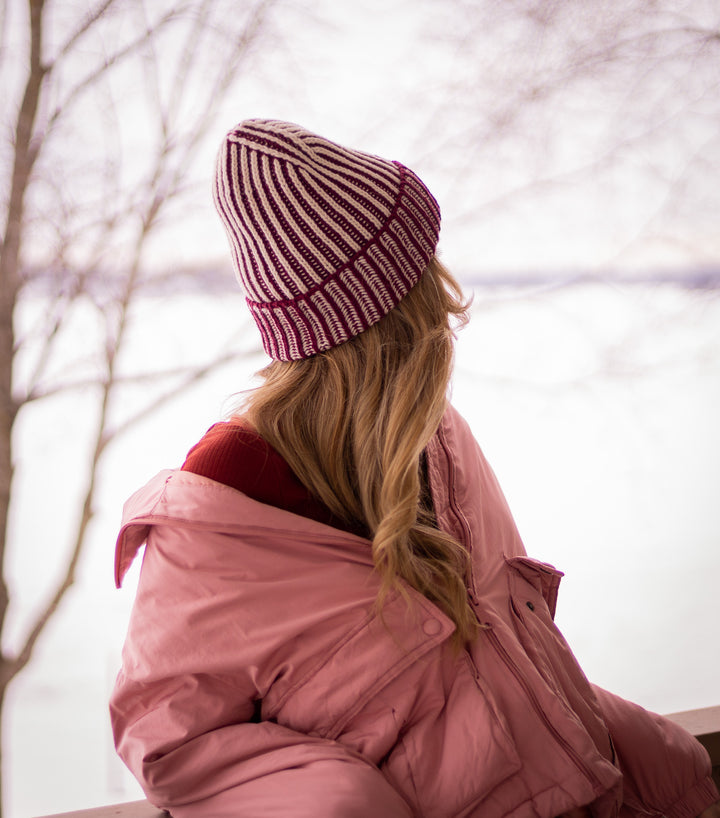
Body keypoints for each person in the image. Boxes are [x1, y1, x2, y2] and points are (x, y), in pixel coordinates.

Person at [109, 119, 719, 818]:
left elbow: (503, 646)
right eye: (424, 269)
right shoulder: (226, 503)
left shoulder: (437, 436)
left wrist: (641, 754)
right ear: (391, 313)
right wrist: (343, 803)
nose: (447, 293)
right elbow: (171, 739)